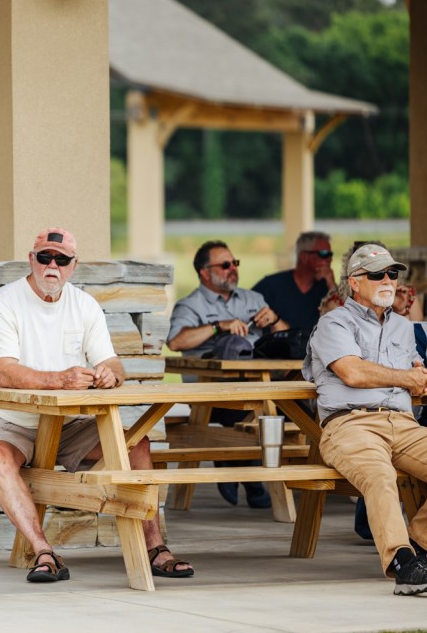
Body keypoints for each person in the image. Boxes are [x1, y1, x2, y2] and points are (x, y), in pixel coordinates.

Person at [0, 228, 193, 582]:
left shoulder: (85, 305)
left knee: (135, 445)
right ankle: (44, 553)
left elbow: (113, 363)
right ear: (31, 260)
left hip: (68, 424)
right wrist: (59, 379)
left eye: (61, 259)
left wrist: (109, 375)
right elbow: (5, 372)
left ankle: (155, 548)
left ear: (74, 265)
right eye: (45, 257)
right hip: (11, 422)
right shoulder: (4, 302)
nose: (52, 266)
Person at [304, 243, 427, 596]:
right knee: (380, 476)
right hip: (350, 424)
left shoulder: (403, 326)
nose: (388, 280)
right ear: (355, 282)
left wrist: (418, 376)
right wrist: (406, 378)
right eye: (377, 274)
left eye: (392, 273)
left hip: (403, 423)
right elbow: (353, 373)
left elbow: (416, 376)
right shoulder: (333, 322)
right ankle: (402, 562)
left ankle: (419, 545)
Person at [167, 240, 289, 509]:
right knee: (261, 412)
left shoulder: (253, 299)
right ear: (204, 273)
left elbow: (288, 339)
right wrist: (217, 327)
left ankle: (233, 462)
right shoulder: (190, 305)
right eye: (225, 265)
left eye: (235, 263)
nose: (233, 268)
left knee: (291, 408)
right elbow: (176, 342)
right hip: (212, 393)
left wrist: (275, 319)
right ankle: (249, 476)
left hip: (260, 384)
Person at [254, 231, 336, 334]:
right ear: (304, 256)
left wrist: (332, 285)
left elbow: (344, 319)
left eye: (330, 254)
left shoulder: (328, 289)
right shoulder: (271, 285)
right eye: (324, 254)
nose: (329, 259)